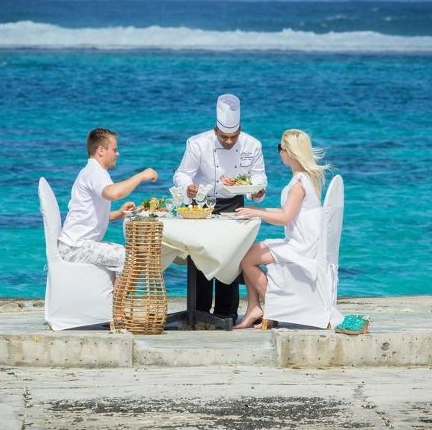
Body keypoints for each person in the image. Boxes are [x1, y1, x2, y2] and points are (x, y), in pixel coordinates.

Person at [173, 94, 267, 323]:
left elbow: (258, 177)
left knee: (231, 258)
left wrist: (257, 191)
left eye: (233, 136)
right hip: (201, 205)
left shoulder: (253, 145)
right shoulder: (197, 143)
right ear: (216, 130)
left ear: (240, 130)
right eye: (224, 136)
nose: (228, 141)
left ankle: (227, 313)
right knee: (200, 256)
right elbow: (181, 174)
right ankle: (200, 312)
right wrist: (188, 188)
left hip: (234, 204)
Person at [233, 129, 330, 329]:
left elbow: (285, 218)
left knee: (246, 258)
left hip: (301, 246)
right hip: (306, 241)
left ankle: (270, 309)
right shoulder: (306, 178)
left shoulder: (298, 185)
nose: (279, 152)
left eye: (281, 148)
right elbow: (287, 211)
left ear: (291, 152)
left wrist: (257, 214)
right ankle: (255, 308)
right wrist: (256, 209)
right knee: (247, 253)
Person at [58, 127, 157, 283]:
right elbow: (113, 193)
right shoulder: (94, 172)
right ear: (101, 151)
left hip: (76, 245)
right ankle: (117, 300)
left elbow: (88, 214)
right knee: (131, 259)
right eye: (114, 150)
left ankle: (115, 297)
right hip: (75, 248)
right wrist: (142, 176)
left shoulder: (93, 171)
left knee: (130, 257)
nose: (118, 154)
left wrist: (118, 214)